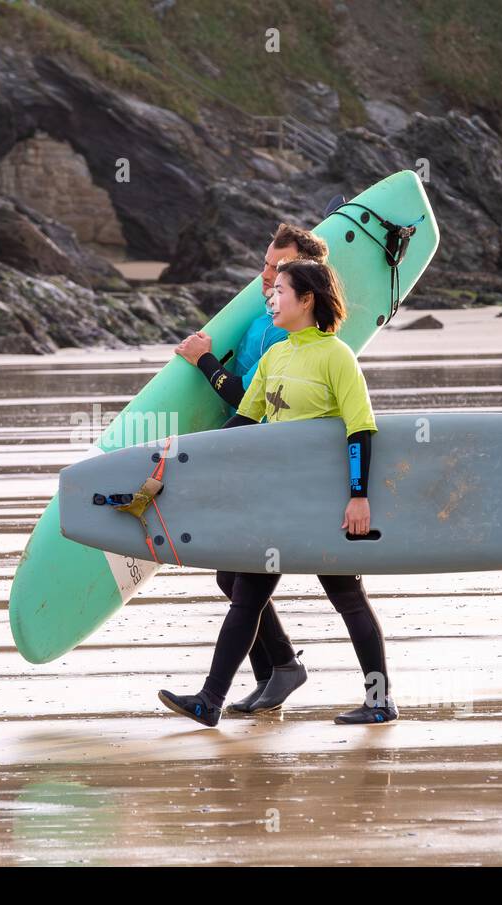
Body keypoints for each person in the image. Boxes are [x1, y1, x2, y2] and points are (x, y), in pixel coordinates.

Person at [158, 257, 398, 727]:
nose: (272, 299)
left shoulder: (336, 357)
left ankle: (380, 700)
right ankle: (211, 700)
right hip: (279, 504)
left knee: (347, 598)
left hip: (322, 504)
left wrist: (358, 496)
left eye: (281, 290)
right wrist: (187, 459)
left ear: (307, 299)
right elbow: (243, 425)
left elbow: (359, 430)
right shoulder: (276, 356)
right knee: (246, 593)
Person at [173, 223, 329, 715]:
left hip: (263, 459)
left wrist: (205, 362)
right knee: (235, 578)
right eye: (264, 264)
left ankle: (230, 692)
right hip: (241, 450)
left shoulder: (287, 337)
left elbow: (251, 401)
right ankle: (277, 671)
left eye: (276, 268)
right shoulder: (266, 319)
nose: (264, 277)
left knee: (246, 579)